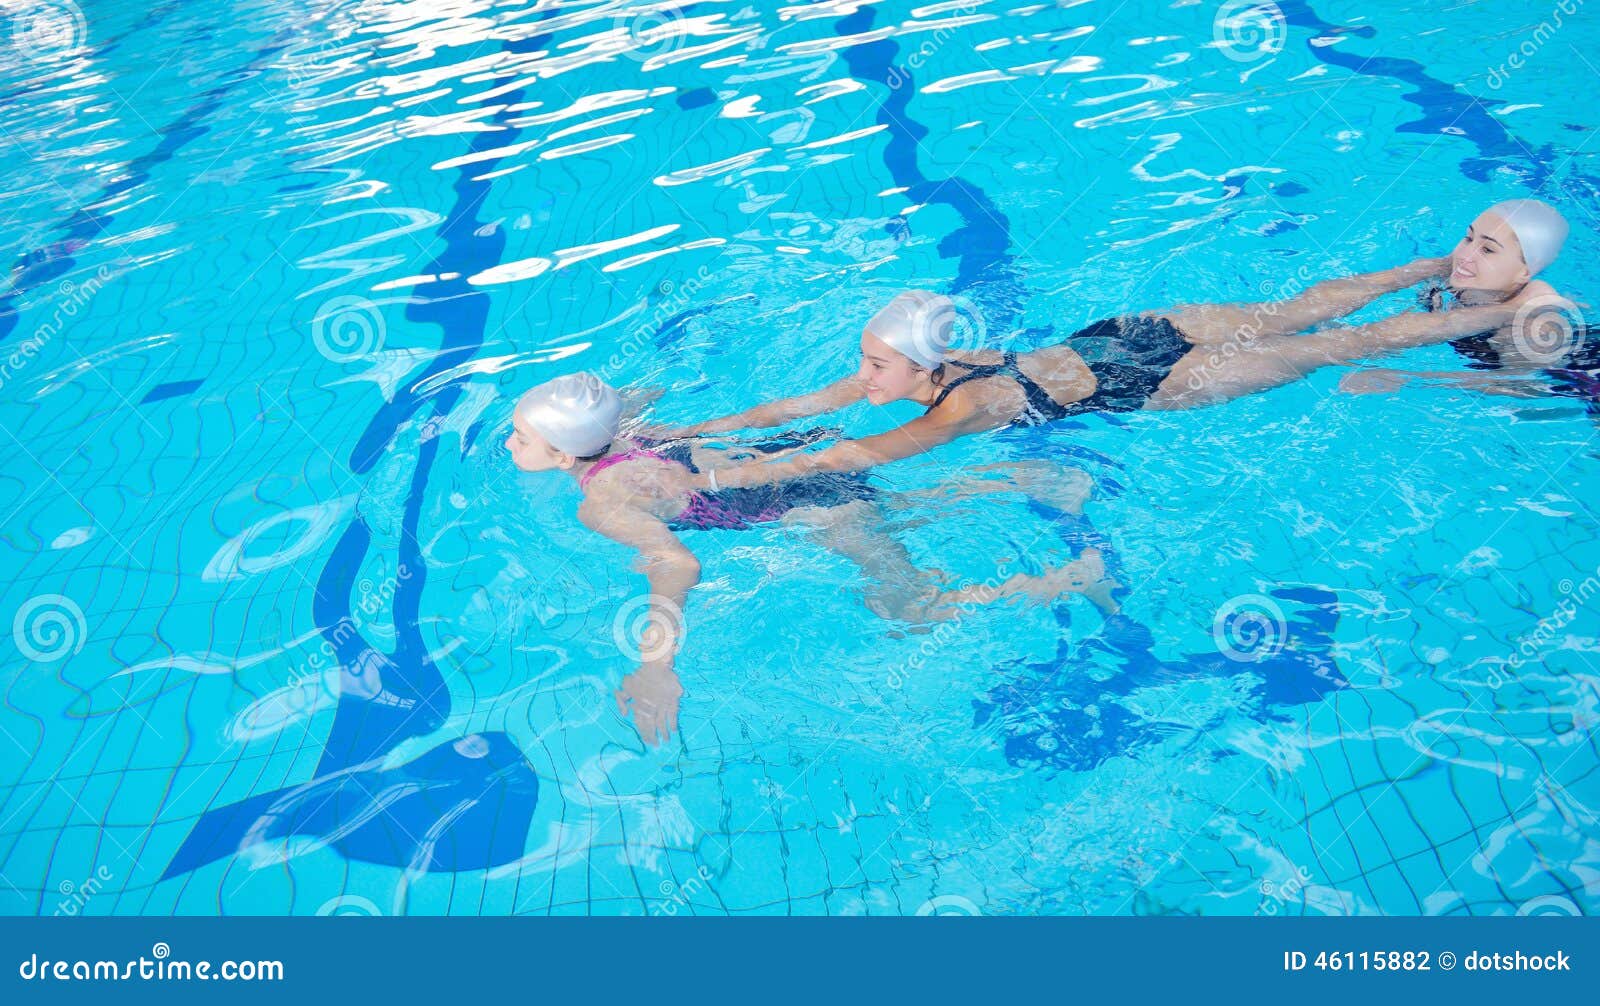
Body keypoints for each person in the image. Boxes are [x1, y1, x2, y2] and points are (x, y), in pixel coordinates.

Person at [658, 210, 1571, 493]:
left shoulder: (962, 403)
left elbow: (854, 454)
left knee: (1340, 342)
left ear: (921, 369)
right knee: (1297, 313)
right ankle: (1437, 282)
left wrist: (730, 477)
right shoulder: (927, 365)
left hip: (1155, 373)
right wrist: (690, 431)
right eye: (864, 363)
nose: (862, 379)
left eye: (874, 366)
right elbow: (803, 408)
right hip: (1125, 333)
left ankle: (1486, 316)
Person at [506, 373, 1115, 746]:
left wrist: (654, 666)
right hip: (796, 454)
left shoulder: (600, 503)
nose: (509, 444)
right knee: (891, 507)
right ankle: (1019, 478)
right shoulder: (631, 430)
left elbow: (679, 564)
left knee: (910, 609)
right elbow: (630, 396)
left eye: (521, 437)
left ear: (563, 458)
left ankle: (1067, 578)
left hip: (812, 506)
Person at [1334, 199, 1582, 398]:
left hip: (1587, 386)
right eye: (1469, 238)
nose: (1465, 255)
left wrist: (1406, 380)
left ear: (1525, 272)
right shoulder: (1453, 277)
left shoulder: (1532, 325)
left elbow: (1524, 387)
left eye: (1487, 250)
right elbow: (1356, 290)